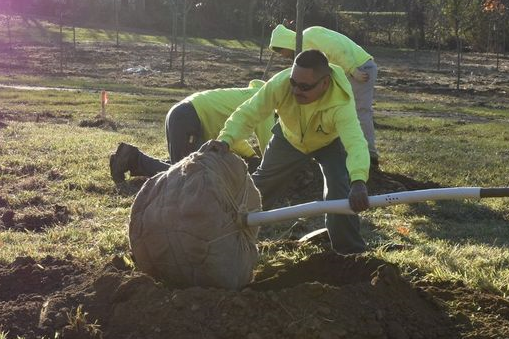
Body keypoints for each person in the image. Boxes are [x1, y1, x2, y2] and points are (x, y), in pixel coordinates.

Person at [215, 49, 370, 253]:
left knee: (339, 193)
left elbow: (355, 142)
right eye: (293, 83)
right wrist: (225, 140)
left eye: (305, 86)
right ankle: (224, 240)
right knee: (259, 187)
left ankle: (350, 253)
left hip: (329, 142)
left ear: (324, 83)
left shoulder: (341, 101)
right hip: (289, 138)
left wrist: (358, 180)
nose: (296, 91)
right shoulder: (280, 85)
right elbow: (249, 112)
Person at [109, 81, 275, 182]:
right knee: (186, 174)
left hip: (184, 114)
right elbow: (270, 145)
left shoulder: (252, 95)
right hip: (188, 117)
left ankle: (133, 159)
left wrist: (251, 156)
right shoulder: (265, 103)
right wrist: (267, 167)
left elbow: (234, 136)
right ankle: (133, 159)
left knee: (188, 166)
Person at [269, 23, 380, 166]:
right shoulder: (303, 48)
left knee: (358, 111)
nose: (285, 56)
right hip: (347, 72)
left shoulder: (308, 36)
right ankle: (341, 150)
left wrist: (354, 70)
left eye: (284, 51)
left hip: (360, 68)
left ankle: (369, 156)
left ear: (286, 43)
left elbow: (337, 48)